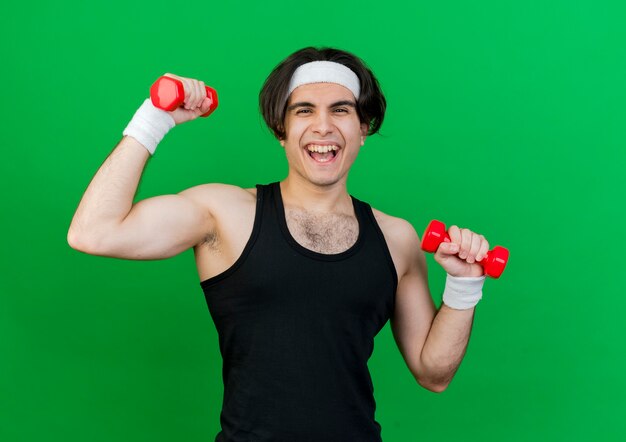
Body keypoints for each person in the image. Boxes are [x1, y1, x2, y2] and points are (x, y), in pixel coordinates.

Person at [68, 47, 492, 441]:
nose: (322, 126)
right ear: (281, 130)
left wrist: (464, 285)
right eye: (303, 110)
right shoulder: (224, 212)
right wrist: (154, 118)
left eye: (340, 110)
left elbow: (433, 373)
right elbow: (93, 232)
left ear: (363, 128)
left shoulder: (397, 238)